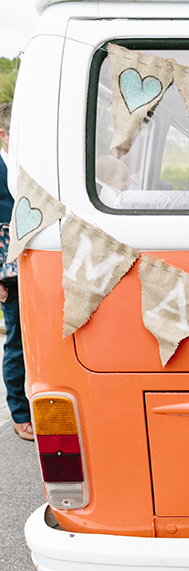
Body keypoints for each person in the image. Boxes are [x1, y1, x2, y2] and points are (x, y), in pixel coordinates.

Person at [0, 102, 33, 440]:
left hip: (33, 265)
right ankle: (19, 414)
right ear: (4, 134)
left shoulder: (25, 166)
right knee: (17, 343)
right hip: (7, 273)